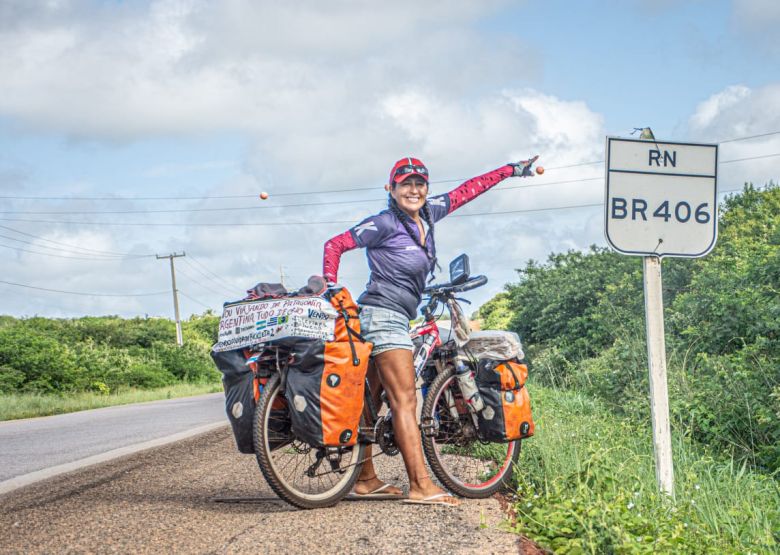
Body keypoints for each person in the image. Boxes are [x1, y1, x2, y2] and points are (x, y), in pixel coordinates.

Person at [322, 156, 534, 506]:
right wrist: (331, 285)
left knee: (369, 403)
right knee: (405, 399)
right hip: (382, 316)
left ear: (426, 189)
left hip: (387, 316)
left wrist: (510, 170)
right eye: (405, 183)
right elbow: (335, 245)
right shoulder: (384, 224)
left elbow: (469, 190)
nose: (414, 189)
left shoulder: (430, 214)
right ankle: (421, 485)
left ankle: (365, 479)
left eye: (420, 183)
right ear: (391, 189)